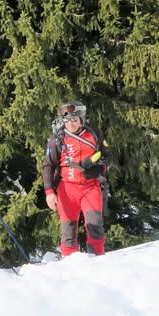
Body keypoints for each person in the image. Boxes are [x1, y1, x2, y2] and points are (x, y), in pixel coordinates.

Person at [43, 101, 108, 256]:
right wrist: (49, 192)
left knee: (95, 227)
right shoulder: (57, 140)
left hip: (90, 188)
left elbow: (107, 156)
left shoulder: (93, 135)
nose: (70, 124)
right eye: (67, 120)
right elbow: (48, 165)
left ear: (81, 120)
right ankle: (70, 267)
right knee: (68, 233)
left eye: (74, 120)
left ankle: (97, 261)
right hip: (67, 189)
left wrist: (100, 168)